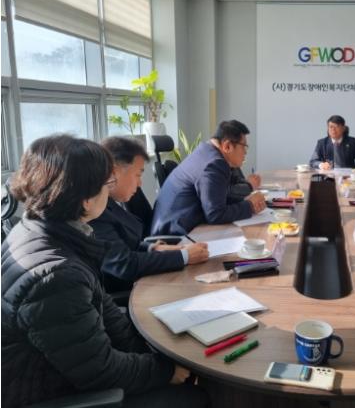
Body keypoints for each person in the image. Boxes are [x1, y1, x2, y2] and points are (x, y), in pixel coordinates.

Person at [1, 135, 208, 408]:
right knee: (197, 397)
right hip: (48, 390)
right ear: (86, 200)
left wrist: (151, 353)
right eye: (105, 183)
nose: (109, 190)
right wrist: (166, 371)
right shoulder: (57, 276)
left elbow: (106, 312)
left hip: (59, 368)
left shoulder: (37, 229)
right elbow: (99, 372)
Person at [90, 137, 209, 292]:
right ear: (114, 172)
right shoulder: (93, 210)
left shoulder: (108, 203)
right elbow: (124, 264)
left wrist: (156, 248)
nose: (140, 183)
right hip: (128, 290)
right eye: (138, 175)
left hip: (142, 277)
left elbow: (128, 245)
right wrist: (184, 256)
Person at [151, 120, 266, 235]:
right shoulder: (214, 164)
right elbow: (215, 215)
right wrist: (250, 206)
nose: (245, 152)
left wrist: (248, 200)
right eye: (244, 146)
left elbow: (224, 190)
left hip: (175, 225)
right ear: (227, 146)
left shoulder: (206, 151)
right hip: (174, 235)